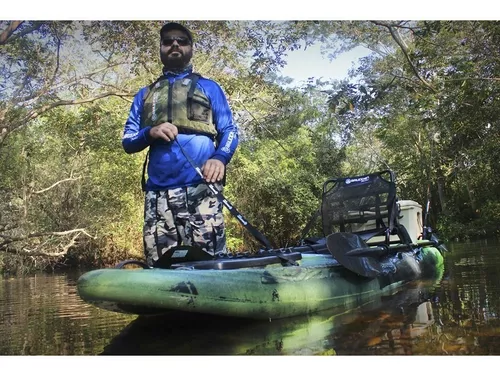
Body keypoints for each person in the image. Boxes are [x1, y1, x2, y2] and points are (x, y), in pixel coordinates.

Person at [122, 22, 239, 266]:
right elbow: (128, 141)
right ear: (161, 49)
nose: (175, 44)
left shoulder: (210, 87)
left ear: (191, 48)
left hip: (201, 189)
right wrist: (150, 132)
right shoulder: (144, 95)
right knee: (161, 265)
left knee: (209, 263)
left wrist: (220, 158)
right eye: (168, 41)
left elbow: (229, 131)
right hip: (158, 194)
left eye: (182, 41)